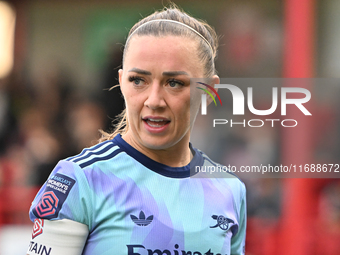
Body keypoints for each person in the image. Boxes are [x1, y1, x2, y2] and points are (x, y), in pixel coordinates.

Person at [27, 5, 246, 255]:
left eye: (174, 83)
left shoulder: (230, 189)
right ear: (121, 82)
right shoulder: (78, 180)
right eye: (138, 80)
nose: (154, 100)